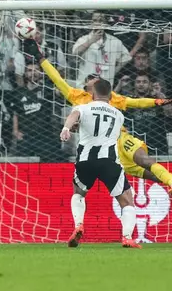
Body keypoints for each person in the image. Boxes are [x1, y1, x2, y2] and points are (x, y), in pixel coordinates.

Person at [23, 39, 172, 198]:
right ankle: (110, 231)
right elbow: (56, 78)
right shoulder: (75, 96)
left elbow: (136, 102)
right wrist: (40, 58)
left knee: (148, 163)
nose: (95, 86)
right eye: (92, 83)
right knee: (147, 179)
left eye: (97, 83)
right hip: (103, 154)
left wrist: (160, 101)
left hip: (121, 141)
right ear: (86, 87)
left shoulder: (111, 98)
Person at [59, 78, 138, 248]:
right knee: (127, 201)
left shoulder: (83, 107)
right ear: (110, 95)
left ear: (93, 93)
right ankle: (127, 237)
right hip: (108, 161)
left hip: (85, 160)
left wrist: (66, 128)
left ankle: (79, 224)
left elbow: (75, 116)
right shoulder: (118, 114)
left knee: (78, 193)